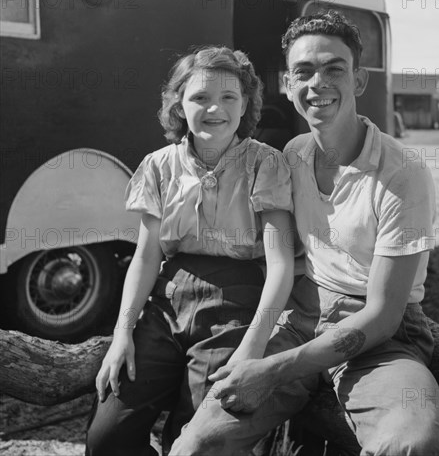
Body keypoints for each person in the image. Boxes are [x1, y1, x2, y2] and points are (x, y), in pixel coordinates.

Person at [169, 12, 439, 456]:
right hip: (302, 318)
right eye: (303, 71)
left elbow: (382, 316)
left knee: (412, 444)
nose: (317, 82)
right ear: (287, 83)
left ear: (359, 80)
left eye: (334, 69)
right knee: (197, 444)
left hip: (379, 339)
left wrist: (271, 370)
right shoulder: (294, 154)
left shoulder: (402, 173)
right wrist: (253, 348)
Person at [85, 47, 295, 456]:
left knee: (198, 434)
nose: (214, 108)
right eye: (200, 97)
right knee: (107, 436)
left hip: (238, 303)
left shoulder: (265, 164)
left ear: (246, 104)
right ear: (179, 104)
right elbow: (146, 256)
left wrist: (252, 348)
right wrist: (122, 331)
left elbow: (281, 265)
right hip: (167, 301)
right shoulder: (159, 166)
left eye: (229, 97)